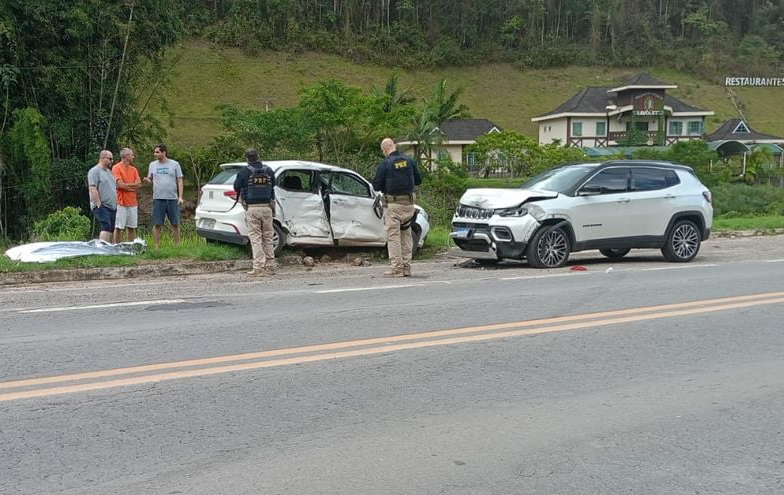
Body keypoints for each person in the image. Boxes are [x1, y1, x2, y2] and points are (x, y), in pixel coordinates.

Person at [372, 138, 422, 277]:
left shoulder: (386, 164)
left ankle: (396, 269)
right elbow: (419, 180)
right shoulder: (409, 161)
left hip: (394, 206)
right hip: (409, 205)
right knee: (406, 236)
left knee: (393, 236)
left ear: (384, 149)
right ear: (394, 146)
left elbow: (376, 185)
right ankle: (407, 268)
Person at [233, 148, 276, 276]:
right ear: (258, 156)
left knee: (256, 238)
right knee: (268, 236)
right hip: (267, 207)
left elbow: (236, 187)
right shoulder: (268, 170)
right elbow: (273, 185)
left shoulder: (244, 172)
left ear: (247, 159)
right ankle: (271, 266)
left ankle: (258, 268)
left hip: (252, 208)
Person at [143, 144, 183, 249]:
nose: (155, 154)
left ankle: (177, 246)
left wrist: (180, 196)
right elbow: (150, 178)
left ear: (164, 152)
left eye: (157, 152)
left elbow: (179, 180)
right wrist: (147, 180)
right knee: (157, 224)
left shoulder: (174, 164)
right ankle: (156, 247)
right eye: (154, 152)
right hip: (158, 198)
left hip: (172, 198)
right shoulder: (152, 165)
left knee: (175, 223)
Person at [87, 150, 118, 243]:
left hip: (112, 206)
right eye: (110, 159)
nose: (112, 161)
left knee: (111, 228)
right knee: (106, 225)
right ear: (102, 158)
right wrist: (98, 204)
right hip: (102, 205)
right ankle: (102, 250)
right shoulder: (94, 171)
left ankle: (108, 249)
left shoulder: (109, 172)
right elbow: (92, 188)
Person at [112, 148, 141, 243]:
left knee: (132, 227)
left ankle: (130, 247)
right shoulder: (116, 168)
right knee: (119, 227)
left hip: (133, 202)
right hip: (121, 202)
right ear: (126, 156)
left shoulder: (134, 169)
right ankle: (116, 248)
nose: (133, 157)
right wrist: (132, 186)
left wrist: (126, 185)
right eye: (132, 155)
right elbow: (119, 185)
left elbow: (139, 184)